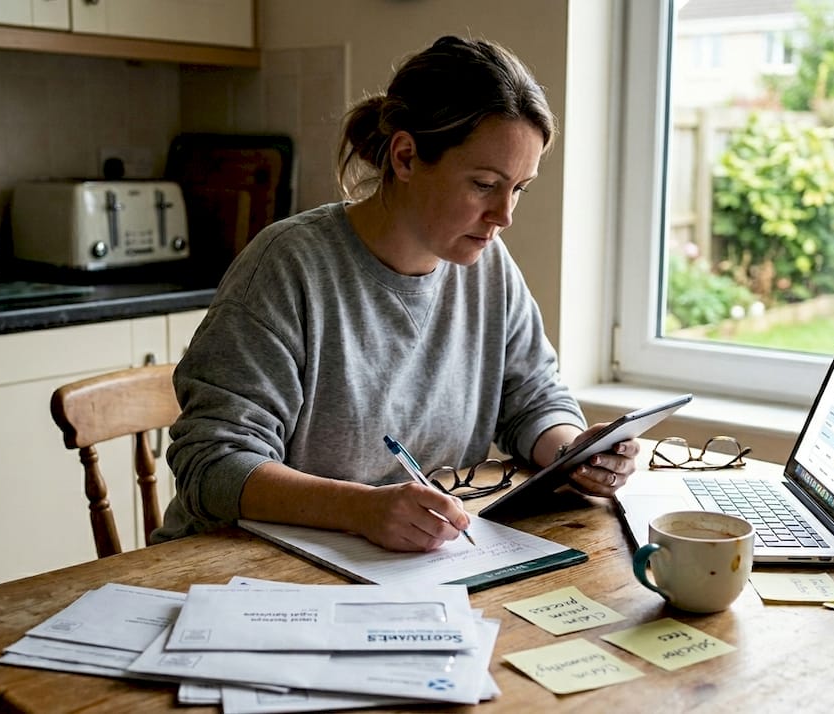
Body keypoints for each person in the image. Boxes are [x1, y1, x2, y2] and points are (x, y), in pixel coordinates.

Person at [152, 35, 639, 551]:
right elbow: (212, 464)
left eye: (518, 187)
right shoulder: (288, 266)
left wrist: (574, 451)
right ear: (406, 157)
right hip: (238, 571)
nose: (505, 215)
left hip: (398, 567)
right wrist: (360, 509)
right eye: (483, 184)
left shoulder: (487, 265)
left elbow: (530, 398)